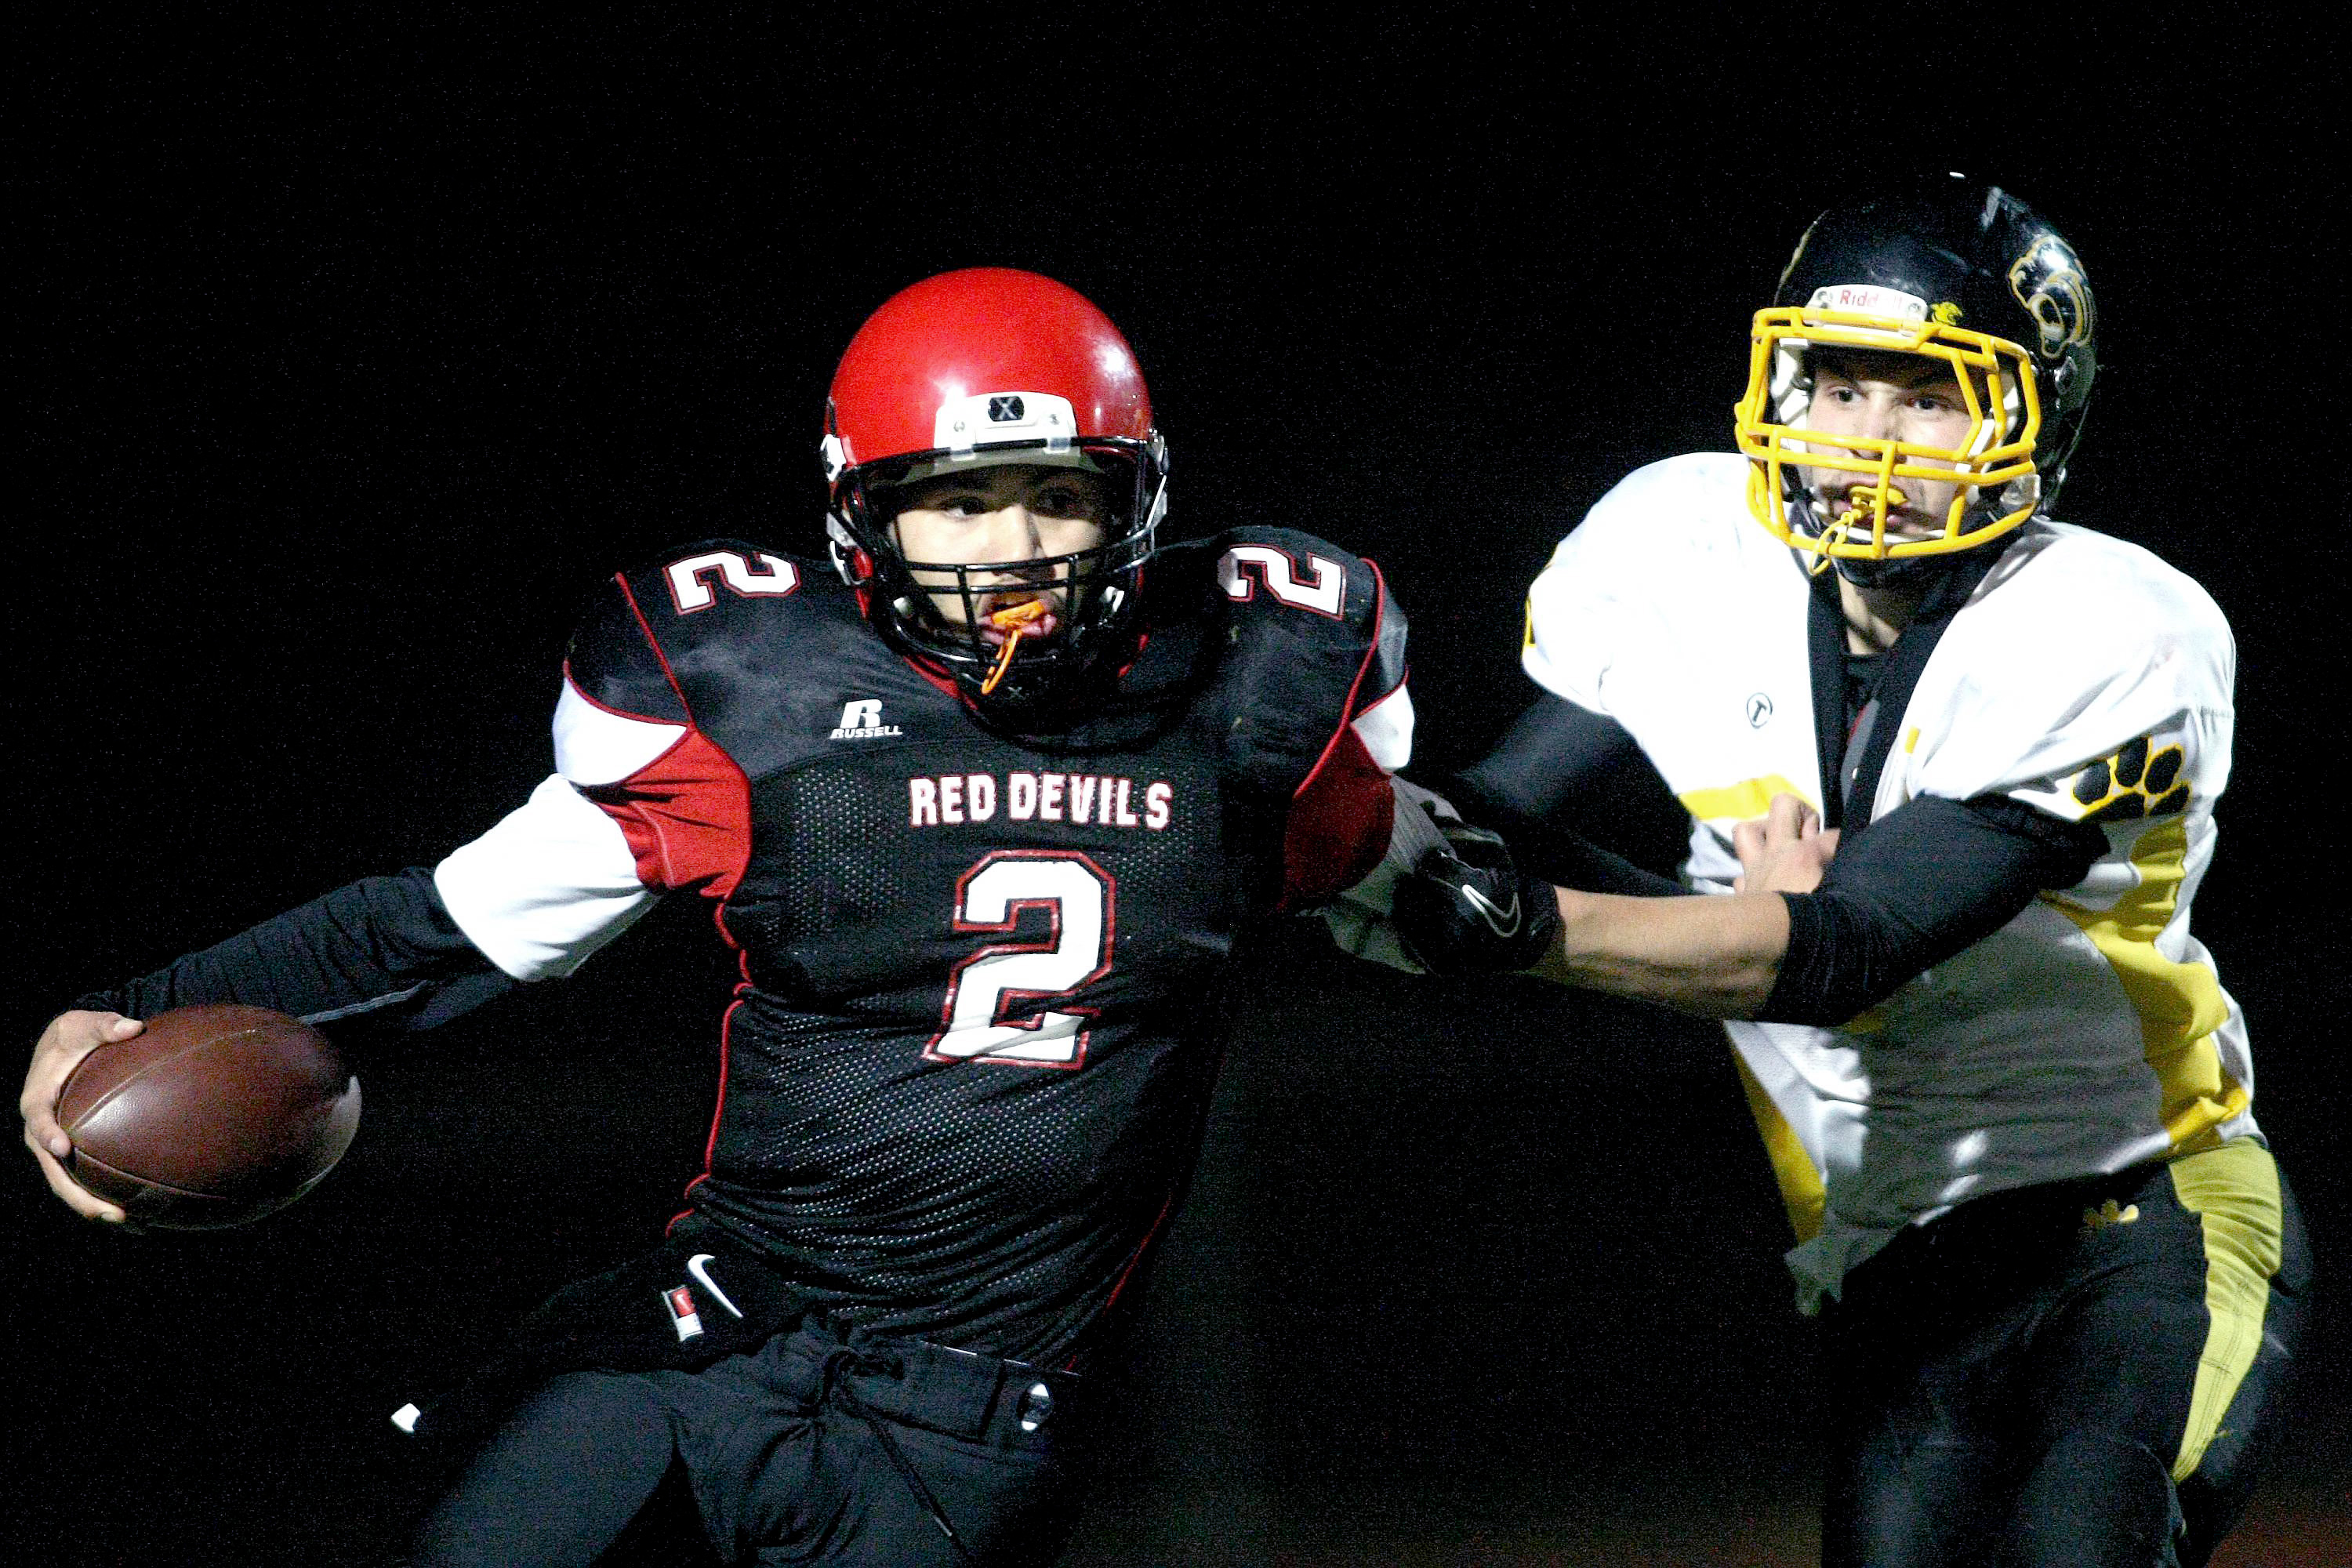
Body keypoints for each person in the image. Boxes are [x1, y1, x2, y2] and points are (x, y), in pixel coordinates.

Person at [20, 267, 1414, 1566]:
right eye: (963, 501)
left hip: (975, 1422)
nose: (1018, 550)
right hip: (719, 1334)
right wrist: (134, 1011)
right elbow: (438, 929)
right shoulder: (769, 711)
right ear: (862, 511)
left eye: (1061, 494)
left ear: (1136, 503)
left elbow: (1468, 894)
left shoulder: (1248, 715)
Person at [1347, 179, 2309, 1567]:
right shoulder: (1686, 547)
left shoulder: (2112, 632)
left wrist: (1526, 924)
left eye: (1925, 397)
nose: (1869, 438)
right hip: (1888, 1253)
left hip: (2141, 1215)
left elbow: (1837, 948)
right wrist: (1303, 820)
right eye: (1840, 384)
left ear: (2030, 416)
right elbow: (1493, 821)